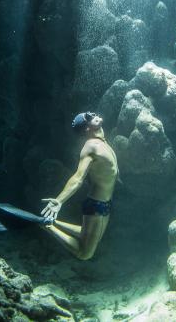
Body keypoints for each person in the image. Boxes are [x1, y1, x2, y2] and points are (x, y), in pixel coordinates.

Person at [40, 111, 119, 260]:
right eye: (89, 117)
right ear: (86, 129)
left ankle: (53, 222)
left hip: (106, 202)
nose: (94, 115)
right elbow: (78, 177)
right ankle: (47, 226)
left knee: (90, 235)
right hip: (96, 205)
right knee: (85, 253)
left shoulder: (103, 142)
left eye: (93, 113)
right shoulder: (90, 147)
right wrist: (59, 201)